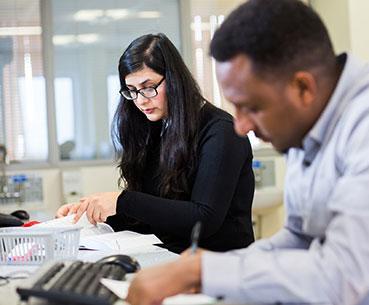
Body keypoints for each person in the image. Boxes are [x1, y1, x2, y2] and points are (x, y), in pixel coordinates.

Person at [125, 1, 369, 305]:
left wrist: (201, 273)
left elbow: (340, 276)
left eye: (251, 107)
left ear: (302, 87)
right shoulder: (312, 122)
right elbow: (299, 237)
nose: (240, 126)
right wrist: (209, 265)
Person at [56, 33, 255, 254]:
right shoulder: (155, 128)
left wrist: (124, 201)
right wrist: (92, 214)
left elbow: (203, 220)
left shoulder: (222, 131)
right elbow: (150, 217)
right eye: (131, 91)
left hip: (221, 265)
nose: (140, 100)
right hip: (171, 259)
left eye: (148, 87)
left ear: (175, 80)